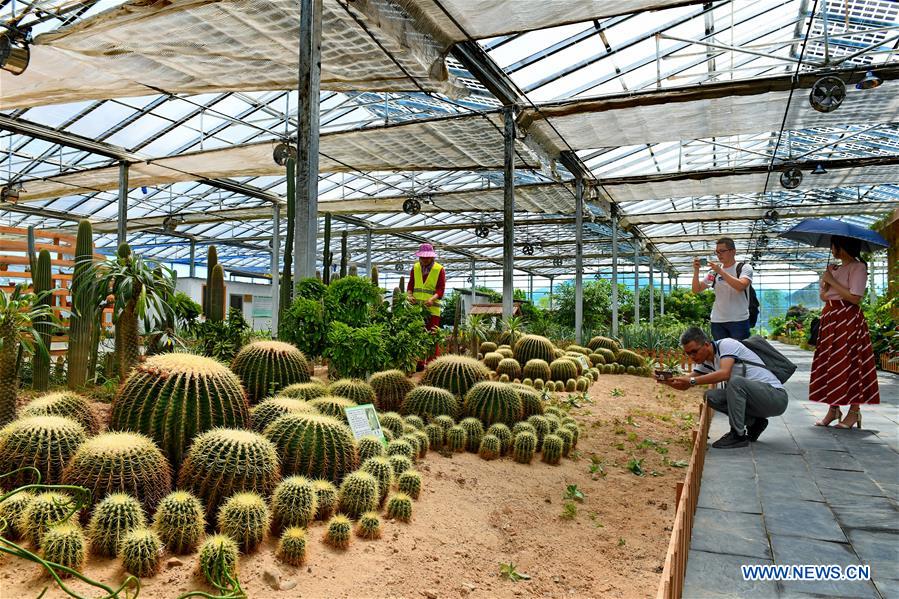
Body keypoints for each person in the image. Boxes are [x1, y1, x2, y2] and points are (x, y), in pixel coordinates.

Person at [660, 327, 788, 449]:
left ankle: (738, 435)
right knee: (711, 396)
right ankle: (755, 423)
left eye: (694, 351)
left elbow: (724, 373)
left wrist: (692, 380)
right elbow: (685, 384)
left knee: (735, 382)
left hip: (775, 397)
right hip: (757, 401)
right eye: (688, 353)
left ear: (706, 344)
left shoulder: (726, 345)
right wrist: (669, 382)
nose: (692, 356)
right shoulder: (706, 362)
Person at [810, 235, 880, 428]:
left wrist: (832, 281)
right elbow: (824, 297)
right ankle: (833, 409)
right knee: (831, 363)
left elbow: (855, 297)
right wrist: (826, 283)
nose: (831, 249)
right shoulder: (833, 268)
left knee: (850, 362)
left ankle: (854, 411)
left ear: (841, 246)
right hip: (830, 317)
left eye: (833, 245)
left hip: (848, 318)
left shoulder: (858, 267)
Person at [692, 237, 754, 341]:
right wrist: (696, 271)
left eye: (722, 251)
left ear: (733, 251)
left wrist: (721, 272)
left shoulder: (744, 268)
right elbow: (696, 289)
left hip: (739, 320)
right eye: (717, 252)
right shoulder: (714, 272)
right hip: (717, 321)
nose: (719, 254)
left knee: (739, 354)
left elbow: (741, 286)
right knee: (721, 353)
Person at [406, 244, 445, 366]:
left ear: (432, 257)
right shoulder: (415, 268)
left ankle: (432, 363)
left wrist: (432, 299)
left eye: (427, 258)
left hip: (432, 309)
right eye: (422, 257)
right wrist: (409, 295)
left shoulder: (439, 269)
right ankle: (417, 363)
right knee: (416, 334)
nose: (424, 260)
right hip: (416, 308)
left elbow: (441, 289)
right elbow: (410, 285)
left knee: (432, 336)